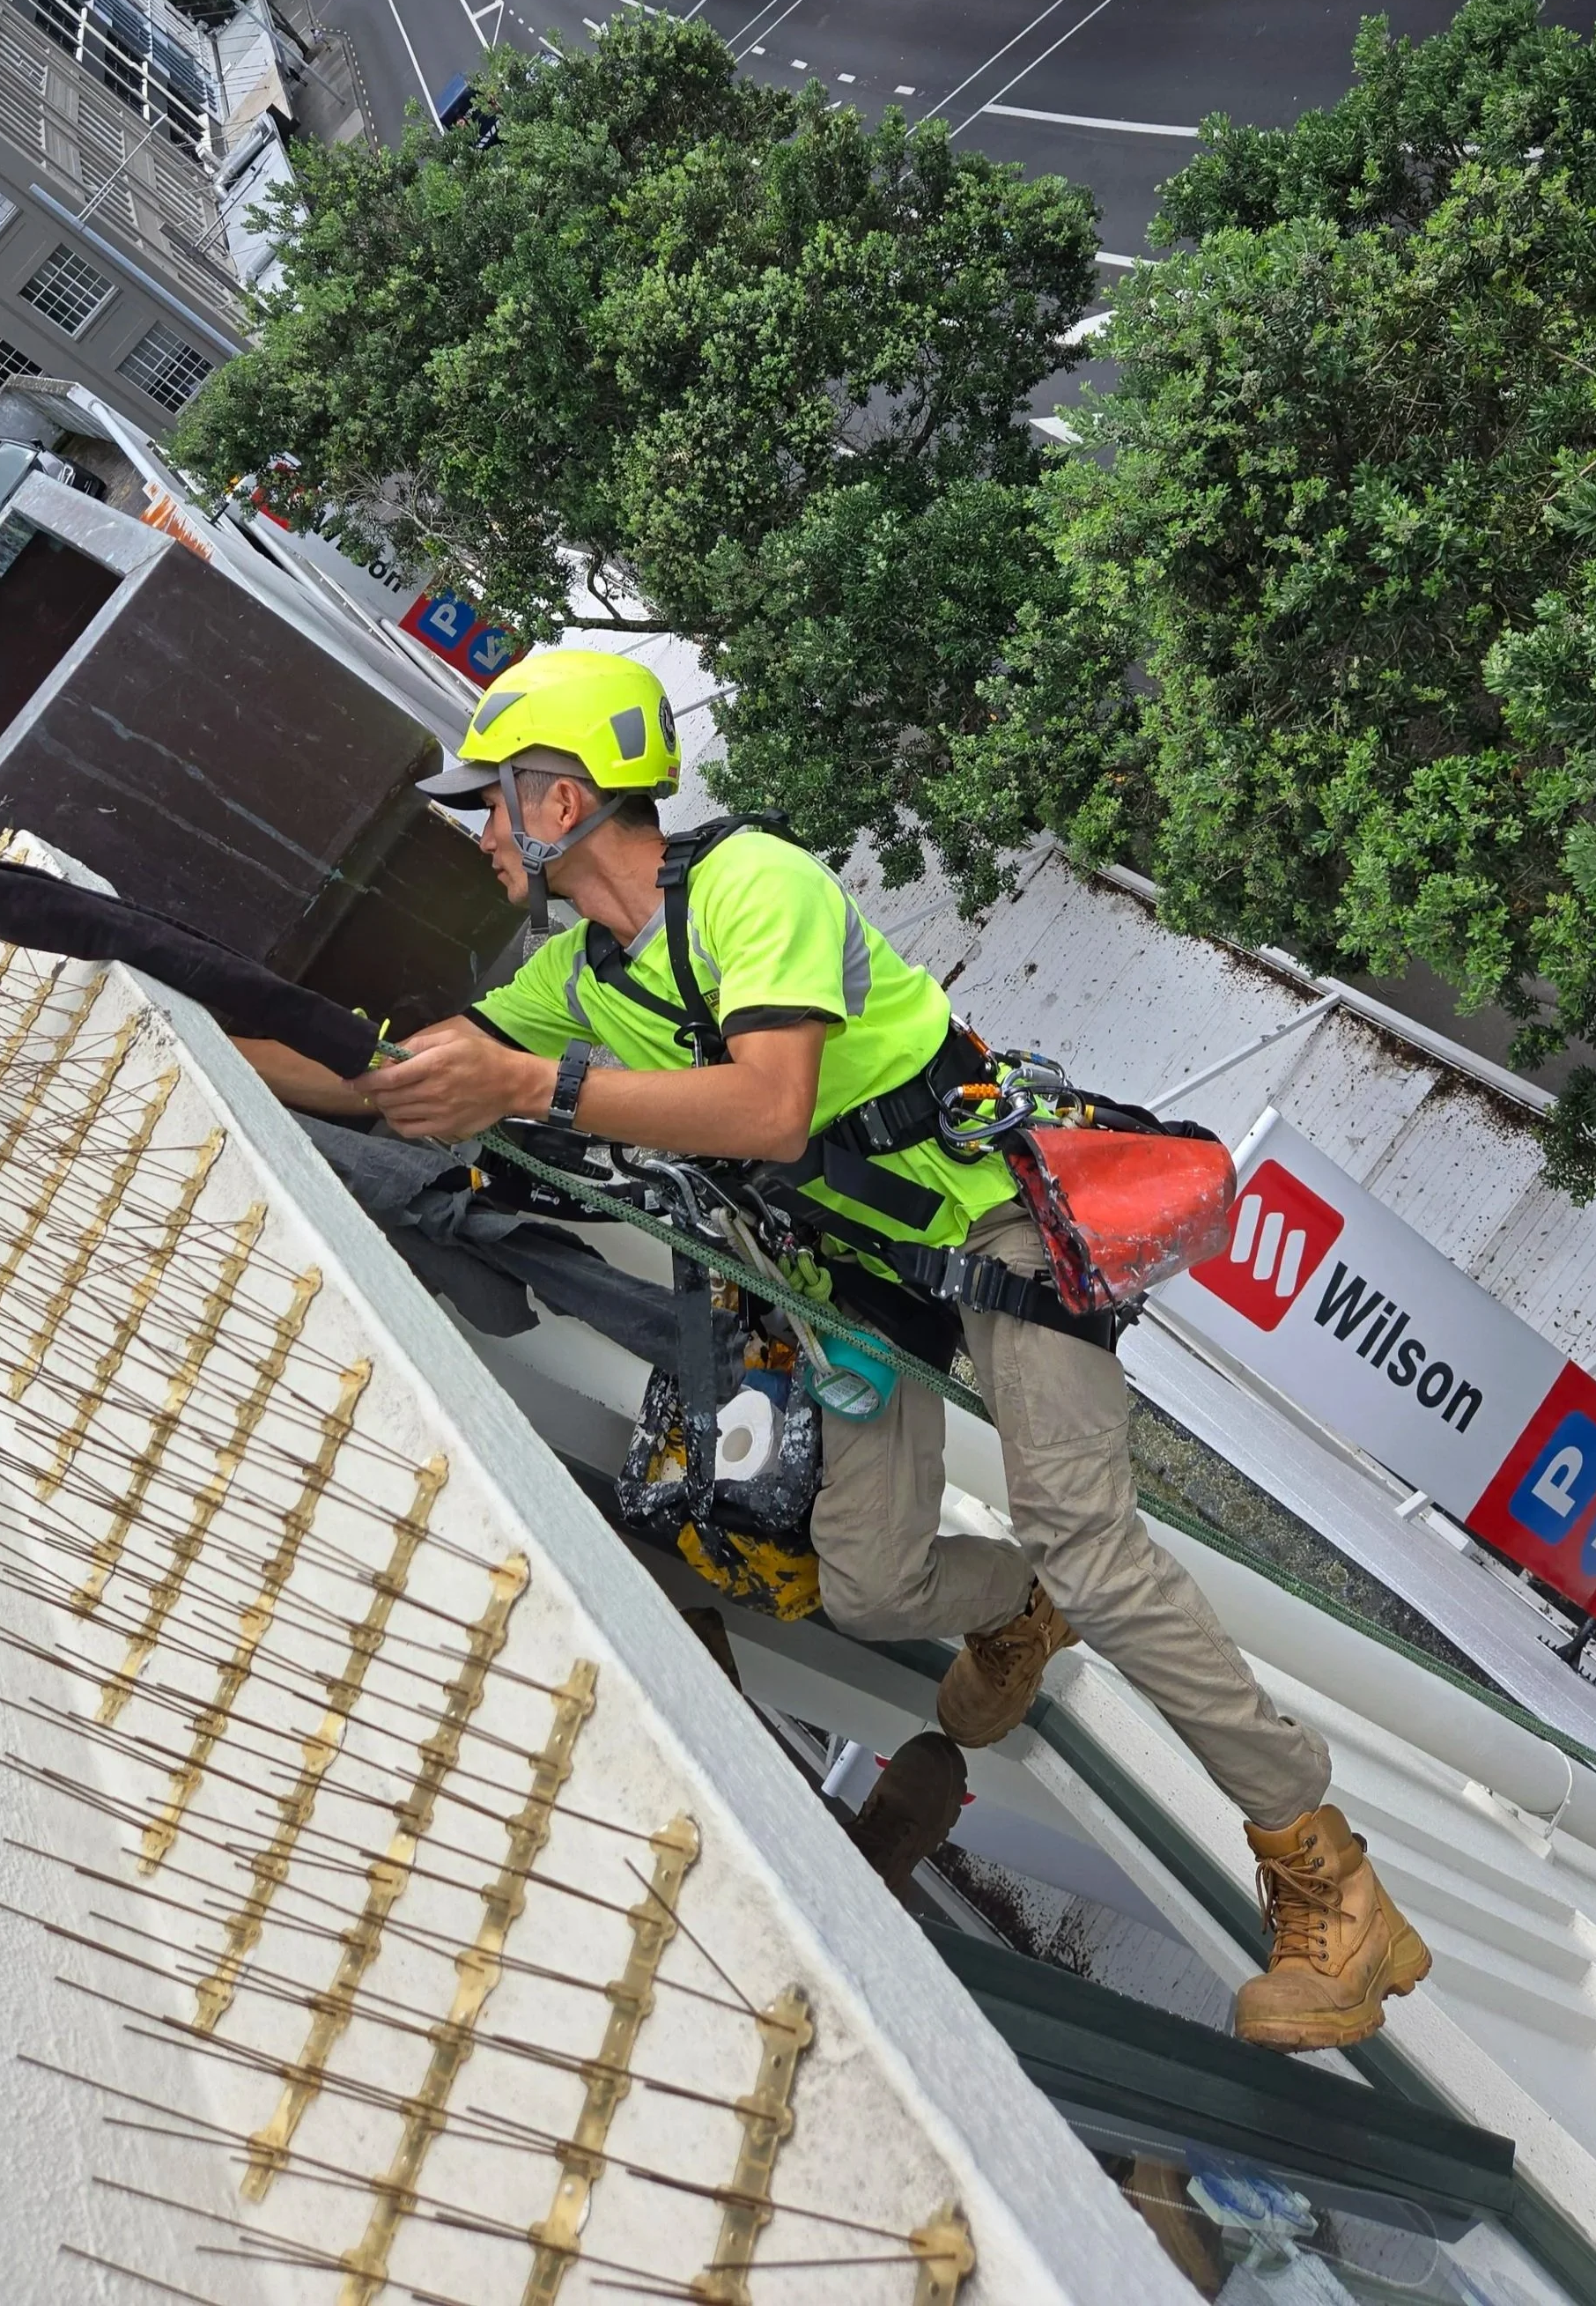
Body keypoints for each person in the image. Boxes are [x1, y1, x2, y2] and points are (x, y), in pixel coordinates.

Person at [238, 647, 1430, 2053]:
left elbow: (773, 1107)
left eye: (492, 803)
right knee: (867, 1583)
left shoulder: (756, 886)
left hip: (990, 1221)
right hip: (858, 1279)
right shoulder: (577, 979)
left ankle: (1327, 1874)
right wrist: (196, 1016)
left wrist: (534, 1086)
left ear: (561, 798)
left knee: (1089, 1530)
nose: (481, 835)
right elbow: (389, 1075)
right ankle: (1024, 1603)